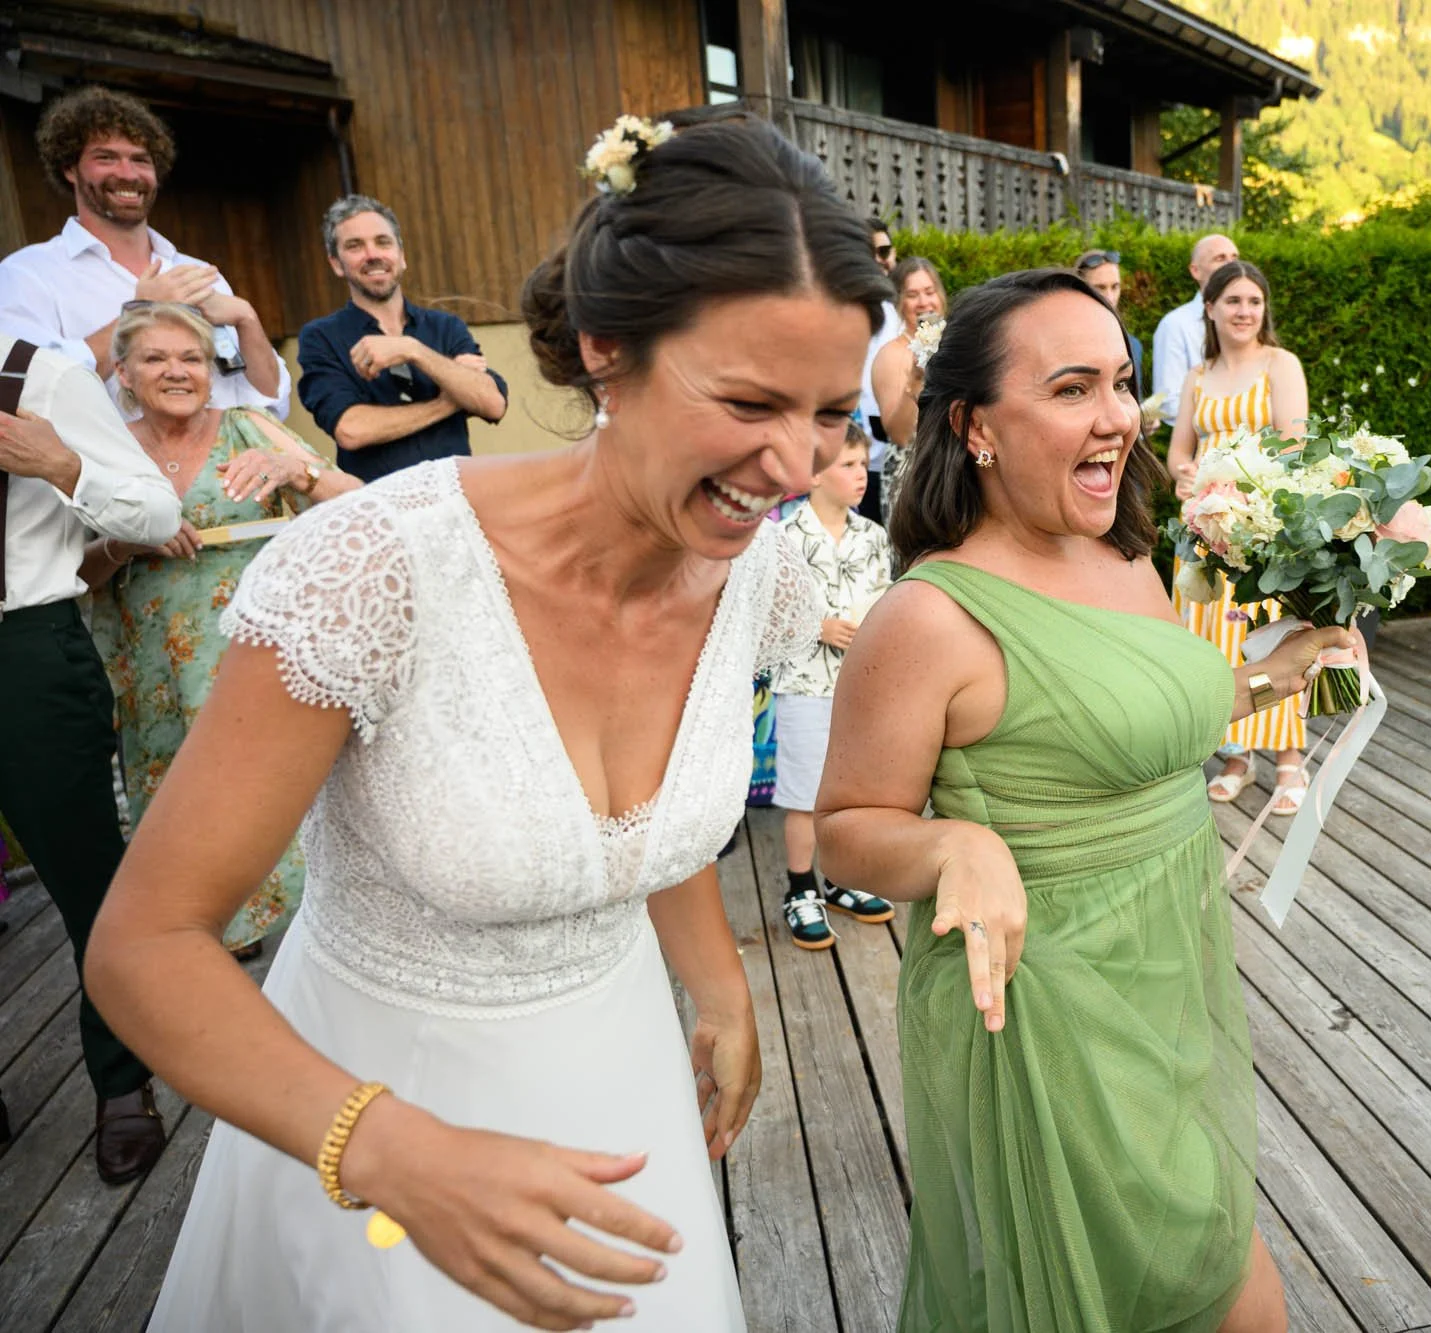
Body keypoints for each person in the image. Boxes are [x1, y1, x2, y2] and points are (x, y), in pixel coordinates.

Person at [85, 114, 890, 1330]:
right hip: (373, 1107)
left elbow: (629, 819)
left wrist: (717, 983)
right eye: (747, 399)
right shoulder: (374, 567)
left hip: (619, 1084)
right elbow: (142, 946)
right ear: (606, 351)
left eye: (831, 413)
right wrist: (385, 1148)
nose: (792, 464)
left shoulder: (762, 583)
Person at [814, 266, 1354, 1331]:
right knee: (1197, 1295)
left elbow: (1125, 733)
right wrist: (951, 846)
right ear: (972, 425)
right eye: (1069, 390)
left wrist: (1258, 678)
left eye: (1117, 383)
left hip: (1164, 968)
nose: (1116, 416)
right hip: (1039, 1003)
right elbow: (843, 829)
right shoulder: (926, 619)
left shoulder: (1125, 554)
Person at [81, 304, 360, 960]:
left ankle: (316, 942)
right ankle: (211, 948)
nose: (178, 371)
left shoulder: (247, 429)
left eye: (194, 358)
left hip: (255, 661)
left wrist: (302, 474)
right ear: (122, 371)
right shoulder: (108, 450)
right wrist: (124, 543)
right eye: (156, 358)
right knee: (180, 805)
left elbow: (361, 502)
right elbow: (77, 571)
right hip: (153, 674)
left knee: (272, 796)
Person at [0, 334, 180, 1185]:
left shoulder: (39, 374)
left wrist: (62, 464)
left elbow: (158, 514)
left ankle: (122, 1084)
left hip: (23, 656)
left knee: (85, 882)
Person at [0, 86, 290, 419]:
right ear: (70, 168)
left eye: (140, 160)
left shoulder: (196, 272)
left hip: (224, 466)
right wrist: (140, 312)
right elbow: (29, 390)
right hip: (107, 470)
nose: (128, 173)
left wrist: (247, 320)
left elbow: (271, 406)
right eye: (106, 157)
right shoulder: (26, 274)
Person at [1165, 259, 1314, 815]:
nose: (1244, 311)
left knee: (1266, 633)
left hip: (1262, 523)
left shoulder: (1281, 364)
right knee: (1210, 639)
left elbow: (1293, 447)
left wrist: (1246, 491)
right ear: (1210, 308)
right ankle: (1235, 755)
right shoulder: (1197, 375)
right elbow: (1180, 450)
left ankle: (1289, 757)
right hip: (1204, 526)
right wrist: (1184, 473)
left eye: (1254, 301)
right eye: (1233, 301)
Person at [770, 424, 895, 949]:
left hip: (861, 684)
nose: (860, 475)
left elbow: (889, 597)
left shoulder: (874, 536)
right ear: (815, 472)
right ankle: (801, 887)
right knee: (804, 792)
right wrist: (815, 627)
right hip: (804, 682)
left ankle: (842, 878)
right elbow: (767, 612)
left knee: (851, 789)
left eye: (862, 464)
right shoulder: (785, 537)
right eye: (847, 465)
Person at [297, 195, 509, 483]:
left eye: (383, 242)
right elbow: (351, 430)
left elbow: (491, 402)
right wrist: (451, 401)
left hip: (458, 499)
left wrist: (414, 350)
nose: (372, 254)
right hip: (380, 511)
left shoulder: (445, 327)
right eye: (355, 246)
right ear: (336, 264)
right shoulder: (320, 337)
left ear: (401, 255)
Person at [871, 256, 948, 519]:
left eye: (929, 292)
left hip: (957, 471)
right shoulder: (892, 355)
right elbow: (900, 435)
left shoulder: (957, 343)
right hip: (913, 479)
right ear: (900, 303)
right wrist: (916, 379)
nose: (924, 302)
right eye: (913, 295)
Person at [1151, 232, 1240, 428]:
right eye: (1220, 258)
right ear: (1195, 271)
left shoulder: (1248, 320)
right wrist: (1232, 418)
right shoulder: (1175, 325)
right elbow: (1168, 402)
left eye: (1235, 258)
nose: (1231, 265)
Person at [855, 216, 905, 520]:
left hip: (895, 461)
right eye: (868, 254)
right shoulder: (835, 315)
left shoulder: (897, 313)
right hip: (849, 466)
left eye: (884, 252)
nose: (879, 262)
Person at [1076, 248, 1143, 388]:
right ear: (1080, 289)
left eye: (1115, 287)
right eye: (1100, 287)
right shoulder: (1063, 342)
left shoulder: (1132, 345)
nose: (1110, 297)